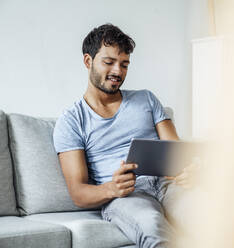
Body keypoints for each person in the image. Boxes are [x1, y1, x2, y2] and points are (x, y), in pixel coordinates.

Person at [53, 23, 196, 248]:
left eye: (124, 64)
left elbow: (177, 152)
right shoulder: (71, 121)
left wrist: (189, 168)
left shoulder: (147, 99)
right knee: (152, 227)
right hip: (125, 196)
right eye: (109, 62)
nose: (118, 71)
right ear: (88, 61)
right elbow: (78, 193)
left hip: (168, 185)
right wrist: (113, 187)